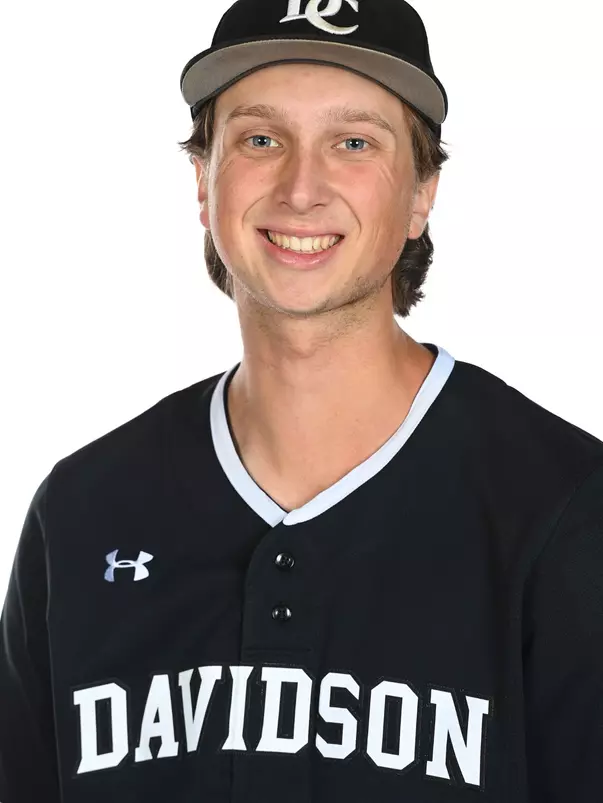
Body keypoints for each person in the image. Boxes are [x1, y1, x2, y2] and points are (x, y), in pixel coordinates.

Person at [1, 0, 602, 800]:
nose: (301, 187)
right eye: (259, 139)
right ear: (203, 181)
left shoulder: (564, 509)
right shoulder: (82, 510)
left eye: (353, 143)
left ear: (421, 193)